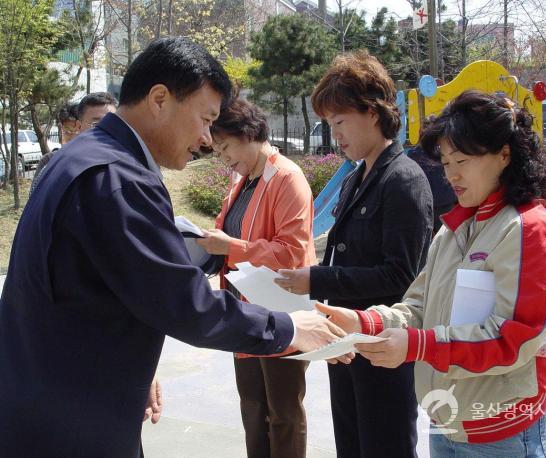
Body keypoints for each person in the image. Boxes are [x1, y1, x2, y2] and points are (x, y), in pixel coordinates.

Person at [0, 37, 344, 457]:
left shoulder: (76, 159)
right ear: (160, 98)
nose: (205, 139)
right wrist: (289, 328)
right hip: (78, 416)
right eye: (204, 119)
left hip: (48, 395)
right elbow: (186, 306)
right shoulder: (119, 179)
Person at [322, 90, 546, 457]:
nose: (451, 175)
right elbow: (417, 306)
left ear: (504, 155)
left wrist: (417, 345)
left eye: (461, 160)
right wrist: (365, 322)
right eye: (445, 163)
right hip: (447, 423)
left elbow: (513, 339)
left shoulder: (529, 231)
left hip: (503, 432)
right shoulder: (455, 229)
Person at [275, 50, 433, 458]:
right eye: (330, 124)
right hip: (346, 341)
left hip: (384, 344)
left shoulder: (403, 180)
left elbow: (402, 276)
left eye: (340, 121)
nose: (335, 134)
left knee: (386, 445)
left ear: (374, 112)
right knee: (352, 444)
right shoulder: (355, 177)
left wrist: (318, 279)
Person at [198, 97, 316, 458]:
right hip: (243, 309)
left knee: (283, 411)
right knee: (252, 408)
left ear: (248, 133)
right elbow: (227, 239)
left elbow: (291, 253)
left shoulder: (286, 177)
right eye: (218, 152)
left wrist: (231, 246)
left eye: (226, 147)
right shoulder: (241, 182)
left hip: (280, 311)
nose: (224, 158)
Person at [31, 93, 118, 185]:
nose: (73, 135)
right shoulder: (50, 162)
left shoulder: (125, 163)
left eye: (110, 123)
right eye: (67, 131)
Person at [406, 117, 456, 233]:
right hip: (446, 200)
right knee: (448, 234)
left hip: (427, 201)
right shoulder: (443, 150)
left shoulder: (414, 153)